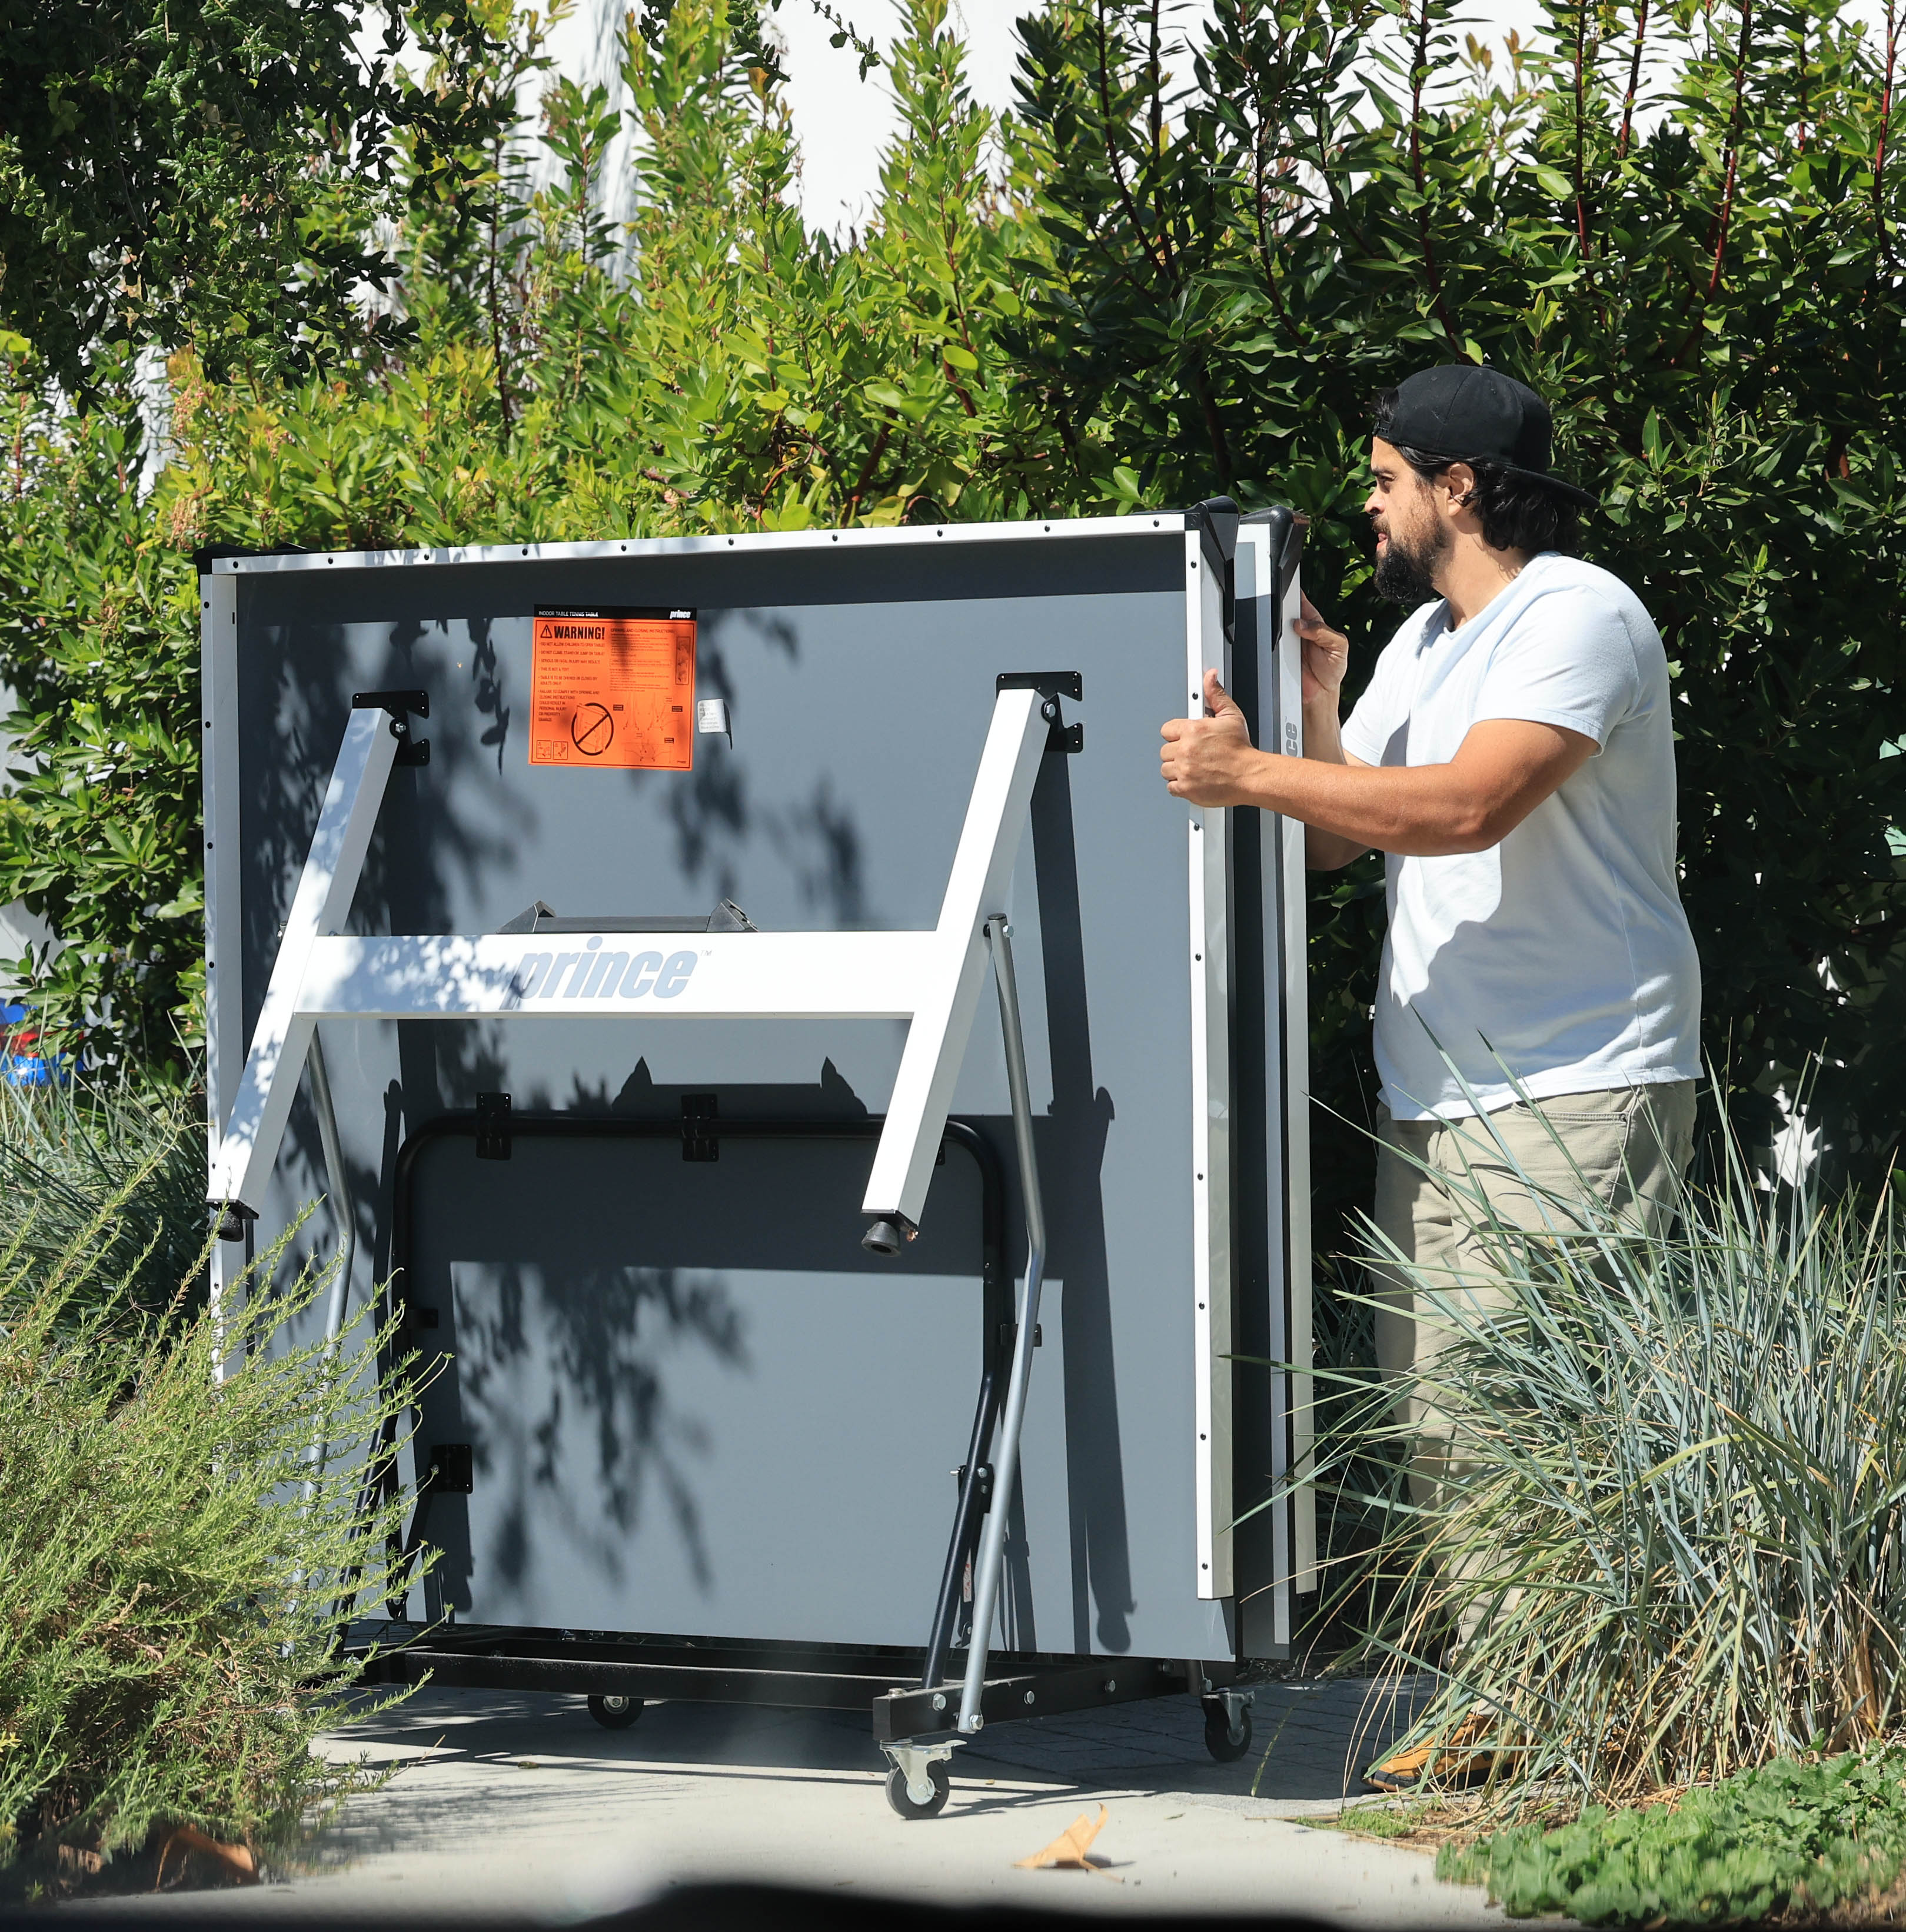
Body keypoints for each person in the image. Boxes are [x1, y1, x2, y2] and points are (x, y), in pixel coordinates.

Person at [1158, 363, 1702, 1788]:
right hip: (1446, 1097)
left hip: (1577, 1084)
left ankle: (1569, 1732)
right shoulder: (1426, 645)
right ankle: (1520, 1702)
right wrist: (1322, 713)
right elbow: (1354, 836)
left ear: (1459, 489)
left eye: (1389, 473)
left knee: (1543, 1415)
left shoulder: (1576, 616)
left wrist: (1251, 775)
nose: (1372, 496)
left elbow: (1463, 809)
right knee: (1443, 1420)